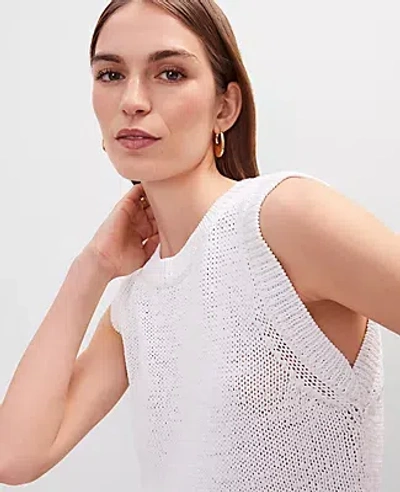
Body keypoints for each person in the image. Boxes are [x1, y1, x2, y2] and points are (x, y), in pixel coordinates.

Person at [2, 0, 399, 489]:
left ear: (225, 107)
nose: (132, 100)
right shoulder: (137, 302)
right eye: (111, 75)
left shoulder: (281, 219)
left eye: (170, 73)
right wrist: (91, 268)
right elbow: (15, 456)